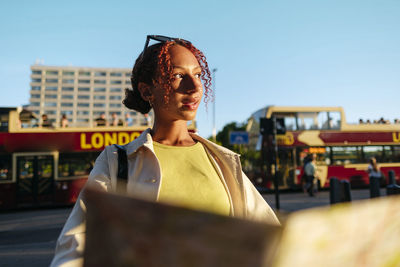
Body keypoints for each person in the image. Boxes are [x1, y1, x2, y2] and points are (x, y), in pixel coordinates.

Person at [51, 35, 280, 266]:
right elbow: (76, 246)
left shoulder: (222, 161)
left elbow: (271, 238)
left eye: (198, 74)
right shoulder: (116, 161)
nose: (195, 86)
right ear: (147, 91)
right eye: (178, 76)